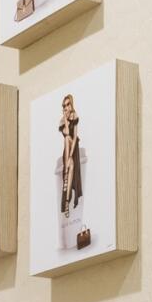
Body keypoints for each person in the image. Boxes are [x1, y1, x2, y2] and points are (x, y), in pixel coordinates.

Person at [55, 93, 89, 250]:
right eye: (64, 106)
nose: (66, 107)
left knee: (71, 166)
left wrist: (70, 157)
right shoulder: (64, 120)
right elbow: (66, 134)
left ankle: (67, 200)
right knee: (65, 140)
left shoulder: (75, 116)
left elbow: (74, 138)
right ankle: (67, 199)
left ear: (72, 104)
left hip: (73, 149)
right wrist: (65, 119)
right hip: (67, 150)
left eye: (68, 104)